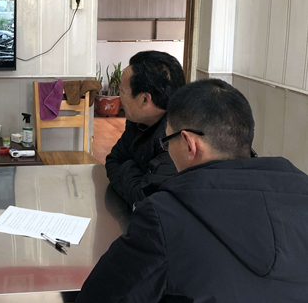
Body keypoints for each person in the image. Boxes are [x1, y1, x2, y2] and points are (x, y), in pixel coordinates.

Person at [77, 79, 308, 302]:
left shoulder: (163, 217)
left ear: (190, 144)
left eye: (167, 142)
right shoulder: (301, 192)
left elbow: (101, 294)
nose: (167, 150)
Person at [104, 51, 185, 210]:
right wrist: (135, 184)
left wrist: (128, 165)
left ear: (145, 99)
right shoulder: (138, 122)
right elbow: (113, 161)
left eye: (123, 91)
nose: (119, 96)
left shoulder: (175, 139)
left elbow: (143, 201)